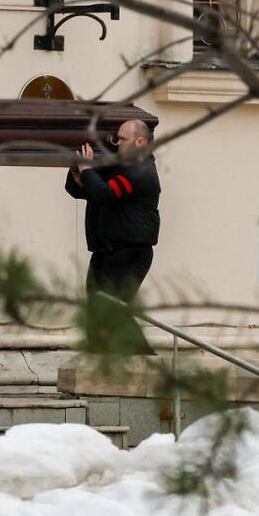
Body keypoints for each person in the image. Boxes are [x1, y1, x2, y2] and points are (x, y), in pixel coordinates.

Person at [64, 118, 161, 355]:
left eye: (122, 139)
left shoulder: (141, 170)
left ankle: (147, 361)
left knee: (115, 308)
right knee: (97, 309)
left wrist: (88, 170)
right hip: (106, 251)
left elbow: (105, 193)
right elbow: (84, 191)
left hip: (131, 252)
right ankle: (101, 357)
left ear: (140, 142)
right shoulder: (120, 167)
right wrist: (78, 173)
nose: (117, 144)